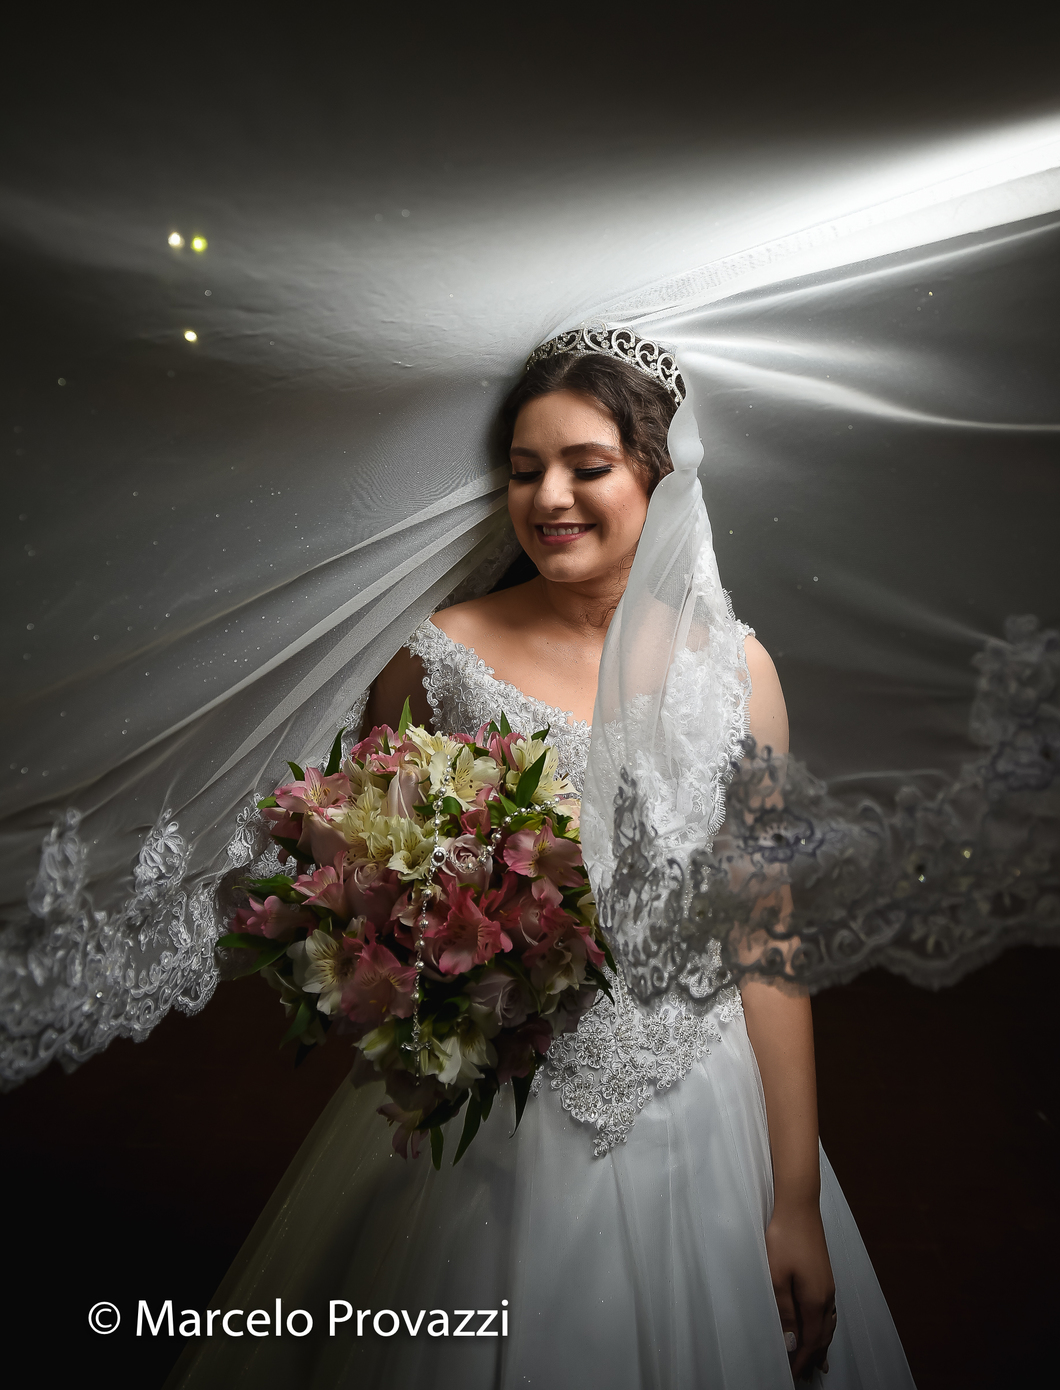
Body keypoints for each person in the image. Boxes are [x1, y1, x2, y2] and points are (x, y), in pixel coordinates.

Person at [170, 339, 915, 1390]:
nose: (551, 497)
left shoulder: (739, 674)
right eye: (526, 471)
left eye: (587, 466)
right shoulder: (439, 654)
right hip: (498, 1108)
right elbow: (367, 865)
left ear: (660, 475)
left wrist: (793, 1197)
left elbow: (767, 937)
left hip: (701, 1100)